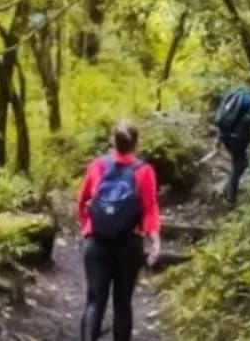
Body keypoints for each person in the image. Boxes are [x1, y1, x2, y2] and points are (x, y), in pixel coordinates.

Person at [76, 120, 161, 341]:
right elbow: (150, 208)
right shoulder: (144, 171)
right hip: (128, 244)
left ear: (112, 141)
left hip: (96, 243)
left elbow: (82, 200)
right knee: (122, 305)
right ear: (136, 143)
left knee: (94, 301)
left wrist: (88, 227)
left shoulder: (97, 165)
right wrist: (154, 240)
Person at [212, 84, 250, 204]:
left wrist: (219, 138)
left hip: (226, 136)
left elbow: (222, 117)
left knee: (238, 162)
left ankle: (228, 190)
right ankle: (230, 196)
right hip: (239, 137)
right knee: (241, 164)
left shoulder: (231, 95)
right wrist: (243, 129)